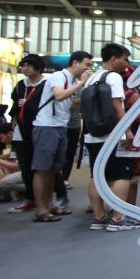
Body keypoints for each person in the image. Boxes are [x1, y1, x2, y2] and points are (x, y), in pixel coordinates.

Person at [30, 51, 92, 222]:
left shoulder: (72, 82)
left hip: (61, 126)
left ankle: (49, 205)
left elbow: (69, 106)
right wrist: (81, 84)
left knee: (53, 169)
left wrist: (79, 96)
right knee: (42, 169)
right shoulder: (58, 76)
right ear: (75, 63)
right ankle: (40, 209)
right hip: (46, 126)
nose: (88, 68)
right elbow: (58, 95)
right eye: (86, 64)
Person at [83, 44, 136, 231]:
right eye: (124, 59)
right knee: (122, 175)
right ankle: (118, 218)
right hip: (113, 135)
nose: (126, 63)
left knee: (97, 176)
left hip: (93, 136)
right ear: (114, 58)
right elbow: (116, 105)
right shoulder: (113, 77)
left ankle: (98, 217)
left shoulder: (91, 78)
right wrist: (128, 131)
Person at [7, 54, 45, 213]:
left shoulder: (46, 84)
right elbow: (14, 107)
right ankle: (31, 199)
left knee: (44, 167)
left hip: (41, 129)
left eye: (29, 65)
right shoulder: (20, 85)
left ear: (39, 67)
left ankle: (48, 199)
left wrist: (30, 104)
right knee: (25, 166)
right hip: (21, 130)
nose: (25, 68)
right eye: (23, 65)